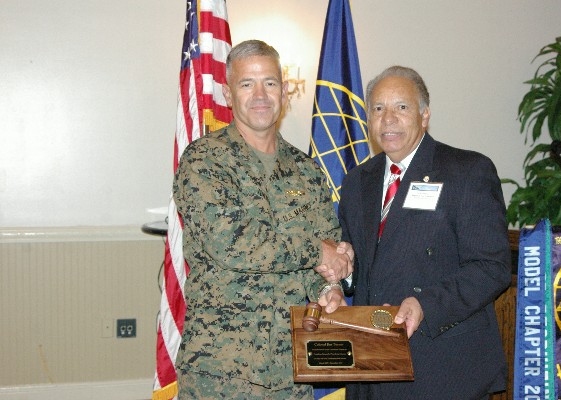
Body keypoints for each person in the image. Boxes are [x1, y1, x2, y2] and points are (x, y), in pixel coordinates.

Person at [172, 40, 351, 399]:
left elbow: (327, 245)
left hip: (291, 368)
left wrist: (331, 288)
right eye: (246, 84)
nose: (260, 95)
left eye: (269, 83)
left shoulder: (305, 170)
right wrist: (320, 253)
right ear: (227, 93)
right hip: (222, 369)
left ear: (285, 92)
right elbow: (234, 243)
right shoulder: (205, 161)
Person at [337, 66, 512, 399]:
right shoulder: (358, 181)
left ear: (424, 115)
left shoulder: (467, 171)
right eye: (378, 109)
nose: (388, 119)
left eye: (401, 107)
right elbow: (359, 268)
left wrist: (426, 306)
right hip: (371, 370)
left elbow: (492, 267)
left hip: (441, 368)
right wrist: (340, 273)